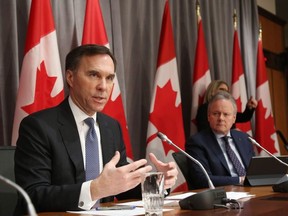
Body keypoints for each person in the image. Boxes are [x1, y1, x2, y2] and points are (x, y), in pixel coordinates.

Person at [14, 44, 178, 214]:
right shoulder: (38, 126)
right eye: (94, 75)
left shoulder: (111, 127)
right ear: (70, 77)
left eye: (109, 78)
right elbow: (32, 195)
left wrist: (157, 183)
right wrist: (94, 190)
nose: (103, 87)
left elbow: (122, 187)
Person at [186, 91, 255, 189]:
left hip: (252, 191)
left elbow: (255, 171)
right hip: (222, 195)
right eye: (216, 113)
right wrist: (240, 180)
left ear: (234, 118)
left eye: (226, 114)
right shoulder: (197, 142)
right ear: (209, 117)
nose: (221, 118)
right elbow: (201, 179)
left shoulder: (244, 138)